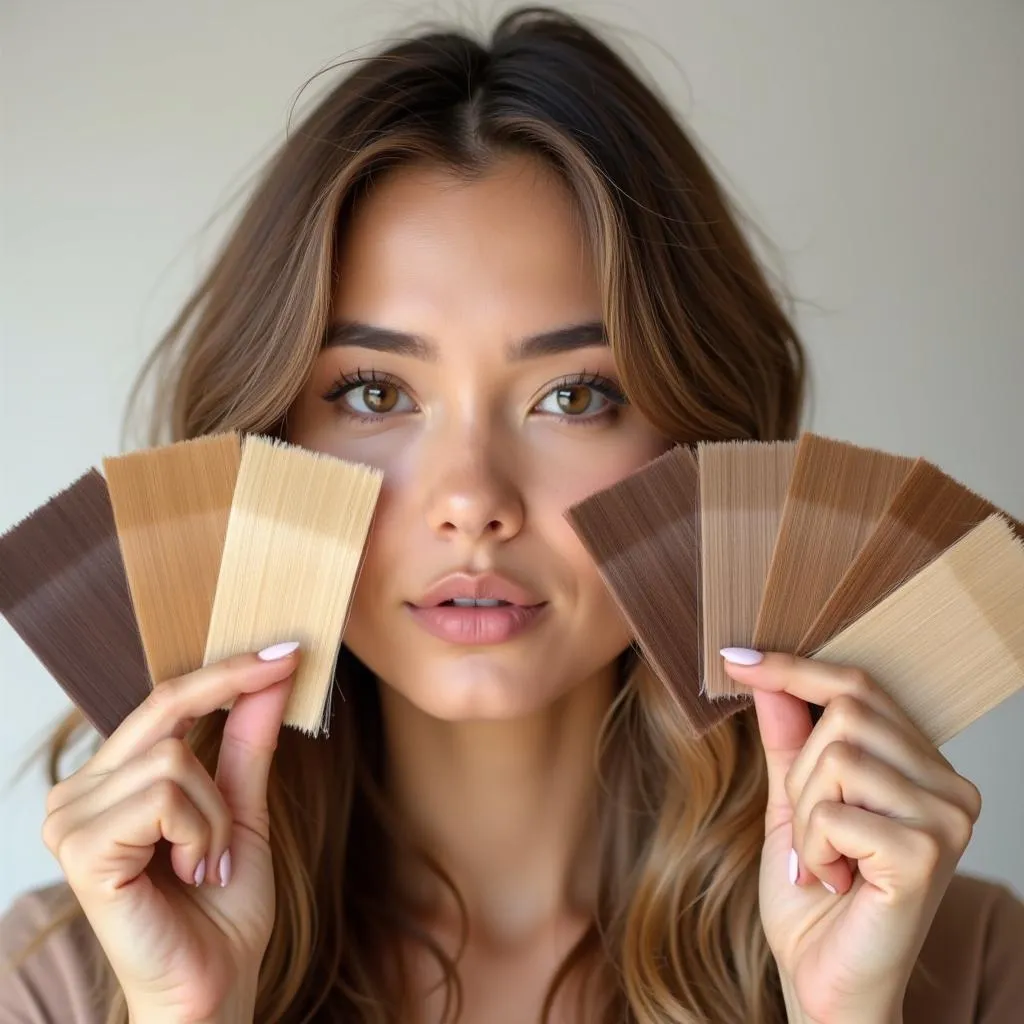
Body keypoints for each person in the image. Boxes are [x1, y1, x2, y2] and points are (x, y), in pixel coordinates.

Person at [2, 6, 1022, 1023]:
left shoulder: (969, 963)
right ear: (267, 447)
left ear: (701, 452)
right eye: (373, 392)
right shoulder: (56, 983)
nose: (472, 503)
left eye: (573, 396)